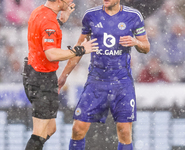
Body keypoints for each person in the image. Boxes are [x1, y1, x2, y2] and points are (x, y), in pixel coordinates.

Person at [58, 0, 150, 149]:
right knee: (77, 129)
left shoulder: (133, 16)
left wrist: (136, 42)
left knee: (125, 132)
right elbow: (79, 48)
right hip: (96, 81)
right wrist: (63, 76)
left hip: (122, 82)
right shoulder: (90, 16)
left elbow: (146, 47)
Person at [22, 0, 99, 150]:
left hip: (33, 74)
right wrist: (80, 50)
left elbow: (44, 31)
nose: (71, 1)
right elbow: (51, 54)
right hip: (41, 80)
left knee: (50, 129)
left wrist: (61, 21)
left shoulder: (39, 11)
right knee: (38, 134)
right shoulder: (49, 21)